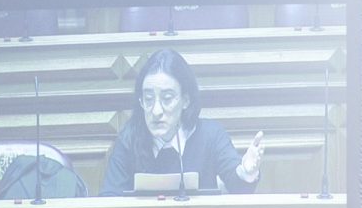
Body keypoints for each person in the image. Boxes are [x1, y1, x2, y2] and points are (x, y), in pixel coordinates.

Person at [98, 48, 263, 197]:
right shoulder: (130, 138)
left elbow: (238, 188)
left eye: (167, 99)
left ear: (185, 100)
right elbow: (109, 199)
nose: (156, 111)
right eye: (148, 99)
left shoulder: (211, 135)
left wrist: (247, 172)